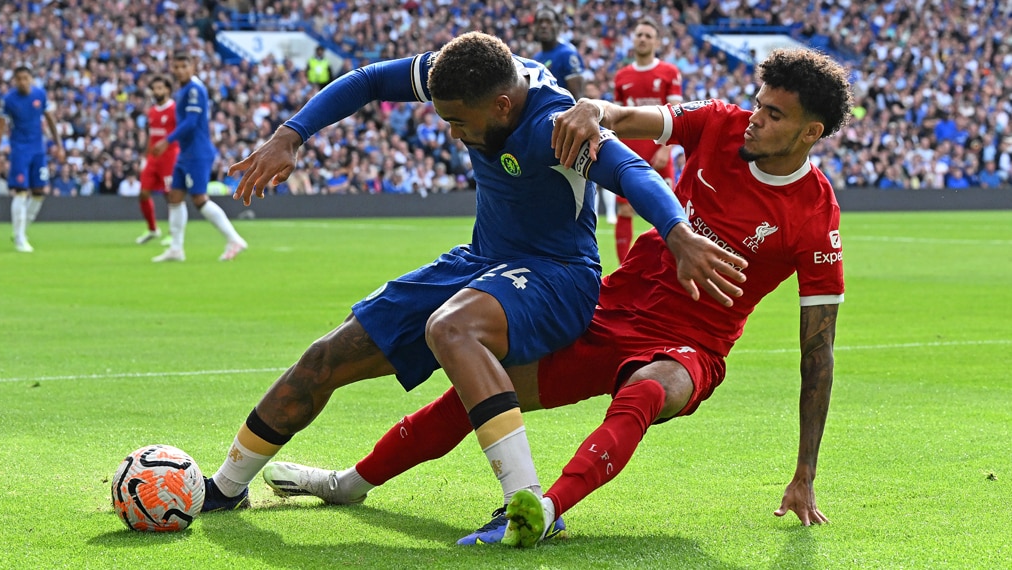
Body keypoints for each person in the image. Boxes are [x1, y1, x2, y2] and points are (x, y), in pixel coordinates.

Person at [261, 48, 851, 548]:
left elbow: (817, 350)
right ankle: (348, 484)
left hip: (693, 344)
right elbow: (625, 119)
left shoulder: (816, 218)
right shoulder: (720, 124)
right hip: (609, 311)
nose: (755, 119)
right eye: (758, 102)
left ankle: (543, 510)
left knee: (648, 389)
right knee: (477, 395)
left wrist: (805, 472)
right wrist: (593, 108)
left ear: (810, 133)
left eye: (773, 115)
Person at [150, 53, 248, 263]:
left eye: (183, 66)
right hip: (186, 153)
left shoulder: (194, 89)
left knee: (199, 199)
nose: (179, 70)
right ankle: (176, 249)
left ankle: (234, 239)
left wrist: (167, 140)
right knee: (175, 196)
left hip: (197, 152)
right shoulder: (184, 89)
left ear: (192, 67)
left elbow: (192, 122)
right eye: (176, 67)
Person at [608, 17, 684, 259]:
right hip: (629, 153)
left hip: (659, 152)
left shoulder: (669, 72)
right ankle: (623, 268)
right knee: (625, 210)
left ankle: (667, 267)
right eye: (639, 35)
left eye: (648, 36)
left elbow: (677, 114)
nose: (642, 39)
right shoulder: (622, 76)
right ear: (633, 39)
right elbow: (616, 121)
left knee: (669, 211)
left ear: (657, 42)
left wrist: (666, 148)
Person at [0, 65, 62, 253]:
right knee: (21, 191)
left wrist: (59, 145)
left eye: (25, 78)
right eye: (19, 78)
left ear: (31, 78)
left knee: (39, 192)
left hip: (38, 149)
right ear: (14, 80)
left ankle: (21, 230)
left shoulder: (40, 95)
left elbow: (50, 119)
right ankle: (20, 238)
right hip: (20, 150)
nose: (22, 82)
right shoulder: (8, 100)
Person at [136, 75, 179, 245]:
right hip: (153, 158)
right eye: (154, 88)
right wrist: (145, 158)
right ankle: (153, 229)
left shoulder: (175, 109)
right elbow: (151, 136)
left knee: (171, 196)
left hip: (169, 157)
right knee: (143, 193)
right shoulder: (152, 111)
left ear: (168, 89)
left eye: (160, 88)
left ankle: (173, 233)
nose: (157, 91)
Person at [531, 4, 585, 99]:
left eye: (548, 21)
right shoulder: (536, 58)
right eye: (540, 22)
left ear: (558, 26)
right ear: (535, 27)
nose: (543, 25)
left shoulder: (568, 54)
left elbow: (578, 99)